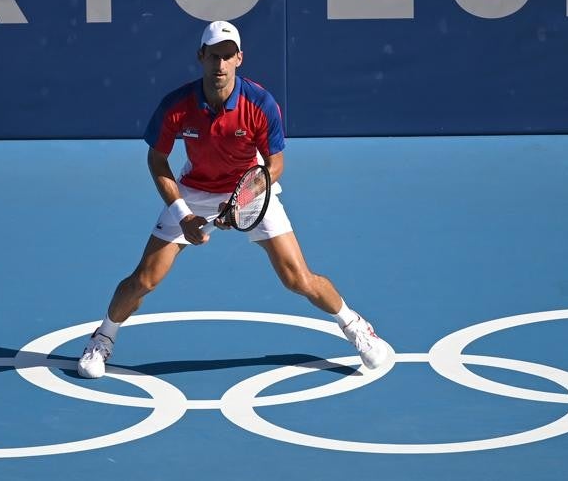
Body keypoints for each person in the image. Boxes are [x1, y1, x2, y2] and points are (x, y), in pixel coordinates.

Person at [77, 20, 394, 379]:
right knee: (144, 280)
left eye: (228, 56)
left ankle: (357, 328)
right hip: (195, 191)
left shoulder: (260, 104)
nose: (220, 65)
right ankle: (102, 338)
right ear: (201, 56)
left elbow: (275, 164)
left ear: (239, 59)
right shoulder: (176, 105)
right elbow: (157, 160)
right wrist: (183, 214)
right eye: (214, 56)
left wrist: (244, 200)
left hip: (249, 186)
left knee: (297, 278)